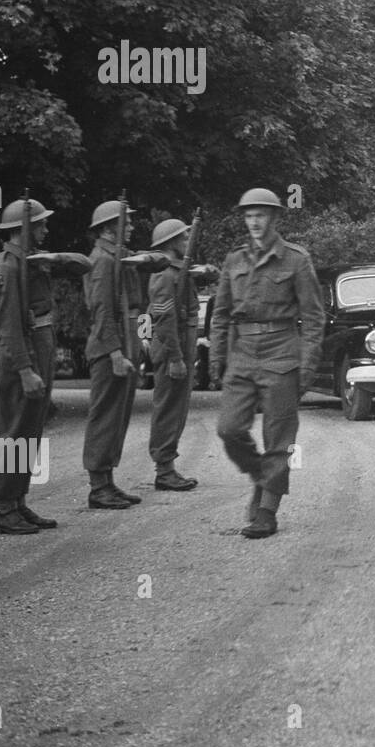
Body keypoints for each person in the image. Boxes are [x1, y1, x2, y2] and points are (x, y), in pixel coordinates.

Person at [210, 188, 324, 540]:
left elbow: (314, 318)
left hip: (281, 353)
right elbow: (220, 314)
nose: (255, 222)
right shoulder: (234, 260)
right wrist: (217, 359)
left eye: (261, 215)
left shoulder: (295, 259)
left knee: (279, 437)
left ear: (275, 218)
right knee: (228, 429)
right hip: (243, 354)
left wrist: (305, 368)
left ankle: (266, 511)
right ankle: (263, 473)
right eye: (249, 216)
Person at [0, 197, 91, 534]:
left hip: (39, 345)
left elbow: (83, 264)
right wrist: (25, 369)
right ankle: (5, 508)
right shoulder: (7, 268)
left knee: (30, 430)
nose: (46, 229)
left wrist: (54, 257)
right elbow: (8, 326)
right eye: (41, 224)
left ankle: (18, 500)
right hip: (22, 352)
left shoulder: (32, 261)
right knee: (16, 430)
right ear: (23, 229)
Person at [82, 199, 164, 510]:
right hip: (108, 347)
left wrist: (137, 346)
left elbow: (136, 305)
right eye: (125, 222)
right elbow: (102, 311)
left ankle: (107, 481)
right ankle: (98, 486)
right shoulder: (102, 260)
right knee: (105, 416)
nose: (130, 226)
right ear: (107, 228)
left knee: (118, 416)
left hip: (124, 340)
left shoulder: (120, 258)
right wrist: (115, 353)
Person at [145, 217, 217, 492]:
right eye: (183, 237)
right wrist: (175, 358)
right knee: (168, 410)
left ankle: (167, 466)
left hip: (180, 348)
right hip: (170, 350)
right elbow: (163, 320)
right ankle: (164, 469)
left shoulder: (178, 270)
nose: (187, 240)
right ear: (170, 242)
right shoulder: (164, 273)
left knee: (177, 409)